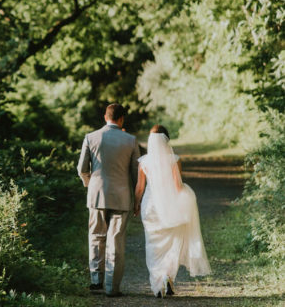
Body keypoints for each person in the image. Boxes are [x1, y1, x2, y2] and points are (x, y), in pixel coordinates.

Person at [134, 125, 211, 298]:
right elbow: (177, 186)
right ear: (167, 140)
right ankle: (167, 277)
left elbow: (139, 187)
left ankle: (157, 284)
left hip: (150, 207)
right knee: (171, 244)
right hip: (169, 206)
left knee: (153, 245)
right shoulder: (174, 160)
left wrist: (136, 204)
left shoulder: (144, 162)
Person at [77, 103, 140, 297]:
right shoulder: (131, 141)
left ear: (105, 117)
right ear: (122, 119)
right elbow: (136, 174)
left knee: (96, 236)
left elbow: (82, 169)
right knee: (116, 241)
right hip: (122, 197)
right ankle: (112, 287)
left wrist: (90, 184)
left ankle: (96, 282)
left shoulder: (91, 137)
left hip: (96, 194)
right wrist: (137, 199)